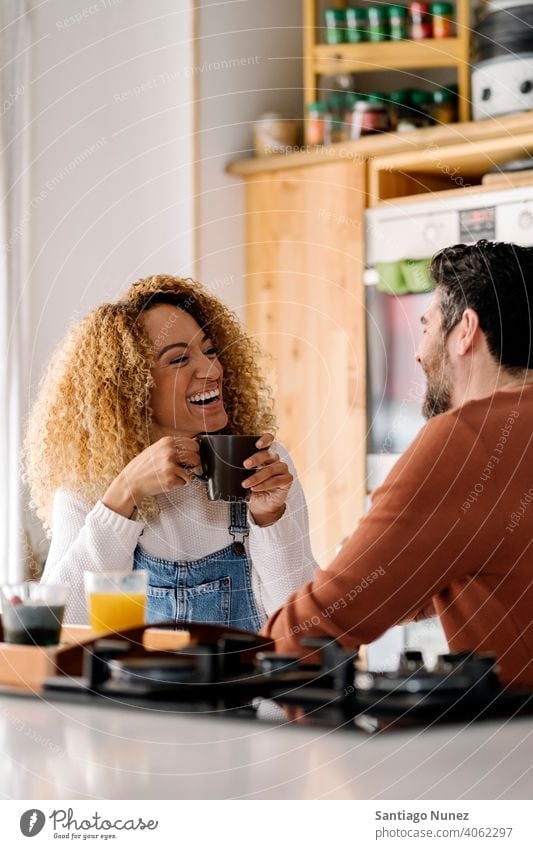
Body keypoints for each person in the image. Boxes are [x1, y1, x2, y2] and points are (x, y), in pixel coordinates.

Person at [263, 240, 533, 687]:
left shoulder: (468, 440)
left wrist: (239, 669)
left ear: (466, 330)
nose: (418, 354)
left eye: (425, 326)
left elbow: (319, 627)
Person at [25, 274, 316, 628]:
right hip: (140, 685)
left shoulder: (262, 465)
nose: (212, 370)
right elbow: (57, 625)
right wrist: (123, 495)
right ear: (132, 387)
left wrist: (271, 519)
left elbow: (303, 626)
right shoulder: (88, 484)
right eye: (178, 360)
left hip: (247, 684)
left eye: (210, 351)